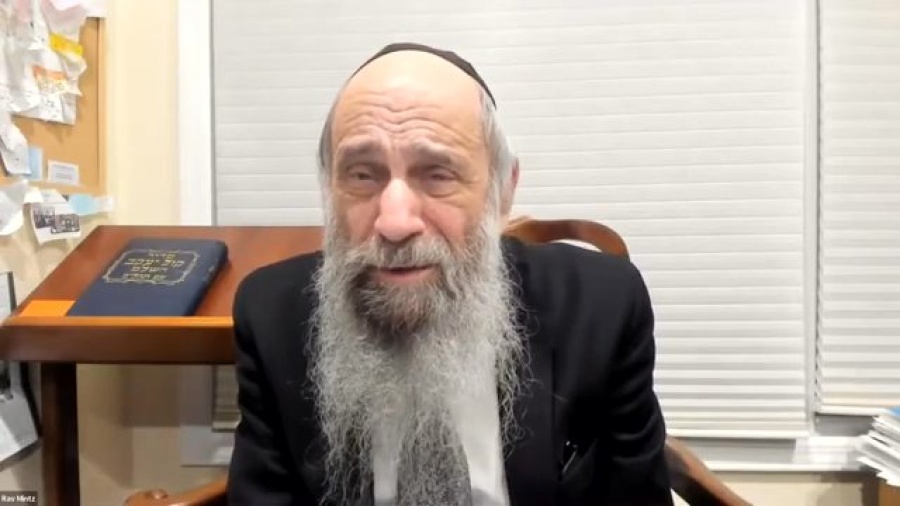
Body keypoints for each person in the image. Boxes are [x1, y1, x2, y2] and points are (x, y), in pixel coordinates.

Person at [227, 42, 673, 506]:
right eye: (362, 175)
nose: (394, 223)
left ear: (502, 192)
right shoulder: (273, 318)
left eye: (437, 174)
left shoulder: (601, 307)